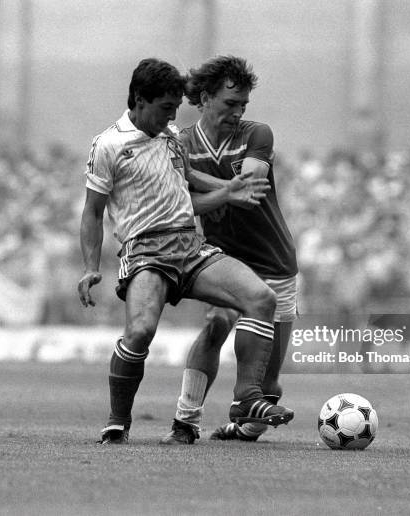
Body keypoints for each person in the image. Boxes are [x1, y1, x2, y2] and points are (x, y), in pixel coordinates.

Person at [78, 58, 294, 444]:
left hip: (196, 247)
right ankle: (119, 421)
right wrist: (91, 266)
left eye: (176, 108)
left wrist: (228, 189)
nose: (173, 116)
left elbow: (189, 181)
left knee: (262, 298)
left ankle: (246, 398)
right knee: (142, 331)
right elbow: (93, 211)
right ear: (140, 100)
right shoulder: (108, 144)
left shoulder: (173, 136)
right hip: (146, 251)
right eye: (165, 108)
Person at [160, 56, 298, 445]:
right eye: (229, 104)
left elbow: (250, 186)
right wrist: (216, 190)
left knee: (268, 380)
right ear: (204, 99)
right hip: (223, 257)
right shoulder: (181, 141)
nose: (238, 113)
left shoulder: (258, 134)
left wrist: (194, 184)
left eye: (243, 106)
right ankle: (185, 421)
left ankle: (245, 428)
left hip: (275, 262)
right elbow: (178, 193)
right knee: (216, 324)